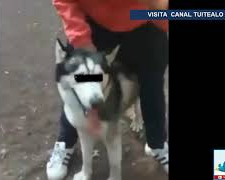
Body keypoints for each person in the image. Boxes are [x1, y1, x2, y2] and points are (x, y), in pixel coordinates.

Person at [47, 0, 169, 179]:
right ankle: (66, 141)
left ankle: (158, 143)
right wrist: (80, 38)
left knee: (152, 80)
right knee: (77, 78)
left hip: (144, 17)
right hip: (95, 18)